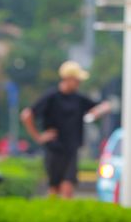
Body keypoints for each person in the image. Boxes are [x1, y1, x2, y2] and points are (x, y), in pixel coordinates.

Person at [21, 60, 111, 198]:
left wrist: (99, 111)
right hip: (54, 149)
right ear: (68, 79)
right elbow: (27, 115)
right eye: (77, 80)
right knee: (54, 189)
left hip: (71, 149)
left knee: (68, 188)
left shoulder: (78, 99)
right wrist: (38, 137)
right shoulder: (51, 97)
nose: (79, 83)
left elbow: (103, 107)